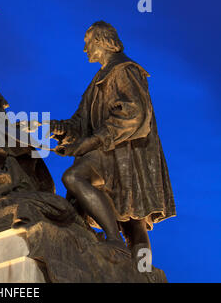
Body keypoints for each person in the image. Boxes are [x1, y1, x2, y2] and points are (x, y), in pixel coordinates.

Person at [50, 21, 176, 258]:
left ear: (100, 41)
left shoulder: (125, 71)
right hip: (111, 152)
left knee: (74, 177)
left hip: (125, 152)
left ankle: (114, 241)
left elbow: (135, 112)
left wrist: (94, 141)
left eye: (87, 43)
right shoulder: (98, 81)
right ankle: (142, 272)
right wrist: (56, 127)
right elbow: (79, 122)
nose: (85, 49)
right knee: (132, 222)